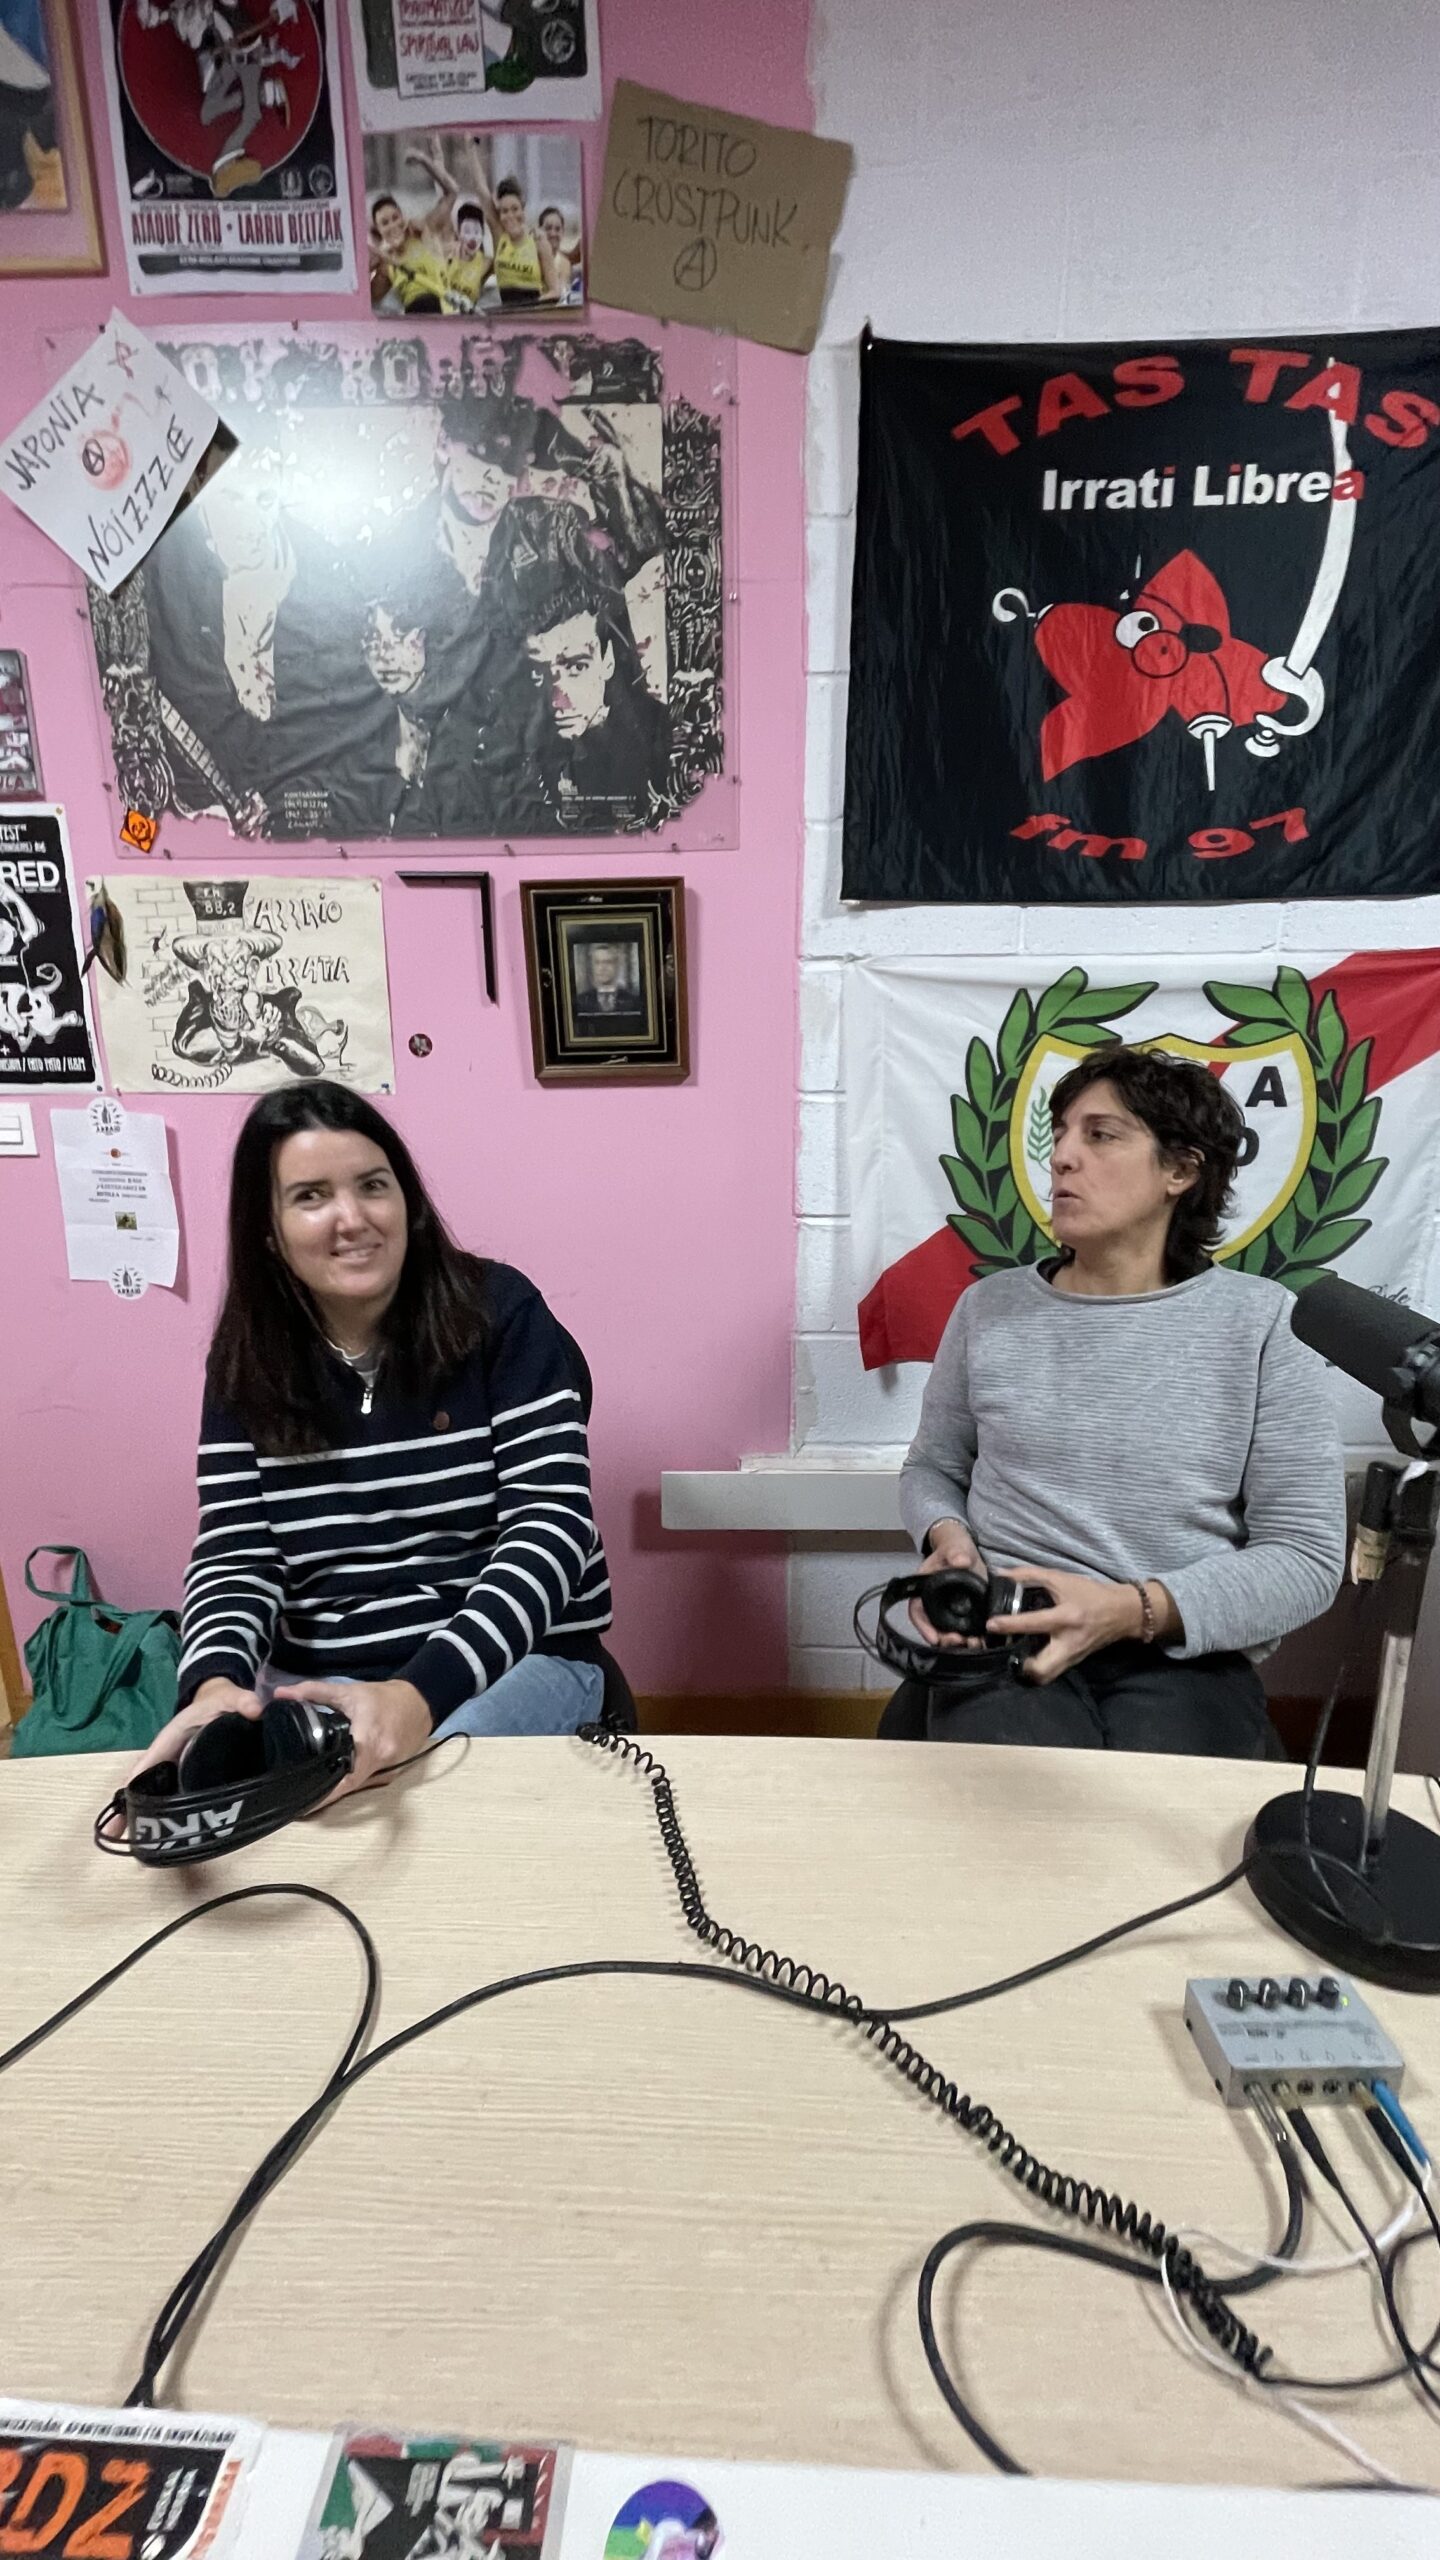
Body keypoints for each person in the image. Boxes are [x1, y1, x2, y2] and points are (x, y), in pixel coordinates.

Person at [131, 1082, 620, 1802]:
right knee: (239, 1808)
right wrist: (214, 1684)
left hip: (507, 1666)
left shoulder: (501, 1315)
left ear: (407, 1201)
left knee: (414, 1797)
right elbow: (237, 1555)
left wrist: (419, 1696)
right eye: (310, 1196)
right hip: (318, 1683)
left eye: (372, 1186)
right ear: (268, 1229)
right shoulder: (246, 1361)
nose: (352, 1219)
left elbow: (550, 1528)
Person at [886, 1044, 1346, 1756]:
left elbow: (1305, 1557)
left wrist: (1132, 1610)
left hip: (1178, 1647)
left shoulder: (1263, 1325)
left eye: (1100, 1135)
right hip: (1007, 1629)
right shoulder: (988, 1309)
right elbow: (932, 1469)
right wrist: (948, 1539)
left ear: (1180, 1171)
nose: (1062, 1157)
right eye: (1061, 1134)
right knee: (1021, 1801)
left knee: (1157, 1810)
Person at [571, 935, 649, 1038]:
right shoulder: (580, 1001)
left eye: (607, 962)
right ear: (592, 966)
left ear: (616, 965)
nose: (602, 968)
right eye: (597, 962)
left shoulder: (634, 1002)